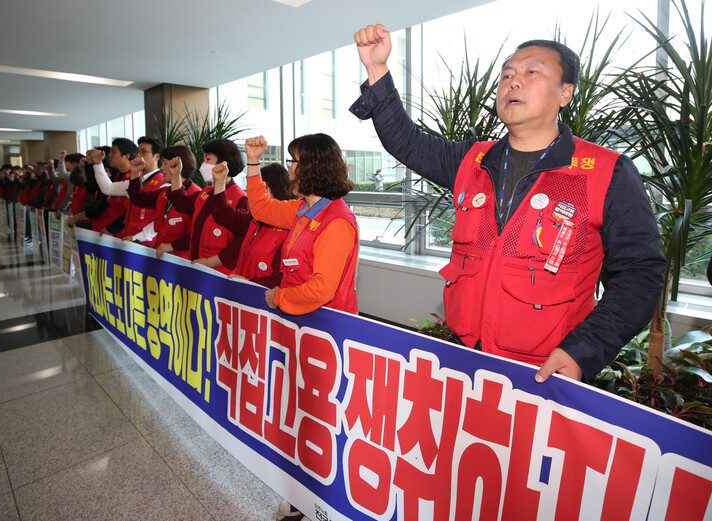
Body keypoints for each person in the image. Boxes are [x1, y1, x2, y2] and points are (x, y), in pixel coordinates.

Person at [352, 24, 667, 382]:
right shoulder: (472, 160)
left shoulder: (606, 172)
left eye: (532, 72)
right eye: (507, 75)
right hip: (465, 360)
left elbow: (642, 272)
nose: (513, 82)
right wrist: (377, 69)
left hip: (547, 372)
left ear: (565, 93)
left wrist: (585, 351)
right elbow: (407, 142)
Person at [244, 134, 359, 315]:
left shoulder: (337, 222)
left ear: (311, 168)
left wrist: (279, 297)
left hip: (327, 324)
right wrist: (252, 161)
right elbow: (261, 208)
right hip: (300, 319)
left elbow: (321, 290)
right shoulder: (303, 209)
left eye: (293, 161)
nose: (289, 167)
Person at [158, 139, 248, 275]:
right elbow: (181, 203)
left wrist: (209, 262)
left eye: (208, 159)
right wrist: (176, 175)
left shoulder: (240, 198)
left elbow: (241, 244)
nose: (203, 165)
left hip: (221, 273)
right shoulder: (206, 192)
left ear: (224, 162)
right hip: (199, 266)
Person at [210, 161, 294, 288]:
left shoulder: (290, 226)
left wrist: (248, 283)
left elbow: (282, 279)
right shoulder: (254, 220)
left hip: (265, 300)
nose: (251, 195)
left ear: (270, 189)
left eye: (257, 189)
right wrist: (220, 182)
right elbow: (223, 214)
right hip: (245, 295)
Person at [127, 145, 199, 248]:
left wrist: (172, 246)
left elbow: (198, 234)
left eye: (165, 163)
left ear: (179, 166)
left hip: (182, 259)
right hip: (162, 253)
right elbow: (139, 199)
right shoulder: (165, 192)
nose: (161, 168)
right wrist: (135, 173)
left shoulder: (195, 194)